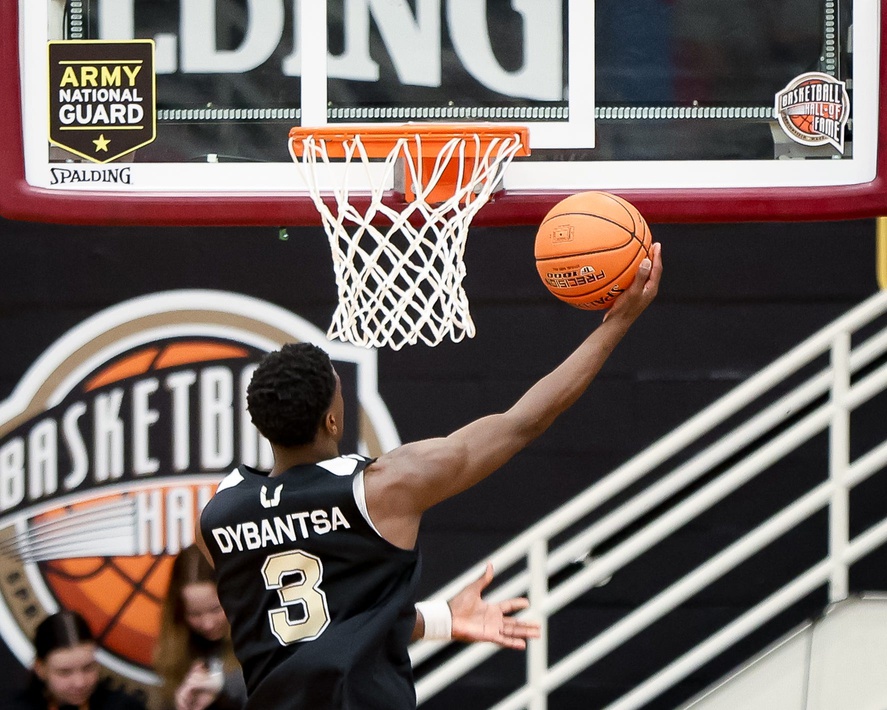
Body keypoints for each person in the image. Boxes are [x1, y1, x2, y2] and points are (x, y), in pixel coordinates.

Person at [197, 243, 662, 709]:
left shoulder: (217, 516)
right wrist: (619, 322)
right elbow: (525, 421)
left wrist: (441, 620)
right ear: (332, 422)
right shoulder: (383, 489)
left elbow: (312, 618)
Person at [11, 610, 145, 710]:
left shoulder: (125, 707)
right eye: (65, 672)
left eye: (88, 668)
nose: (80, 683)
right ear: (40, 669)